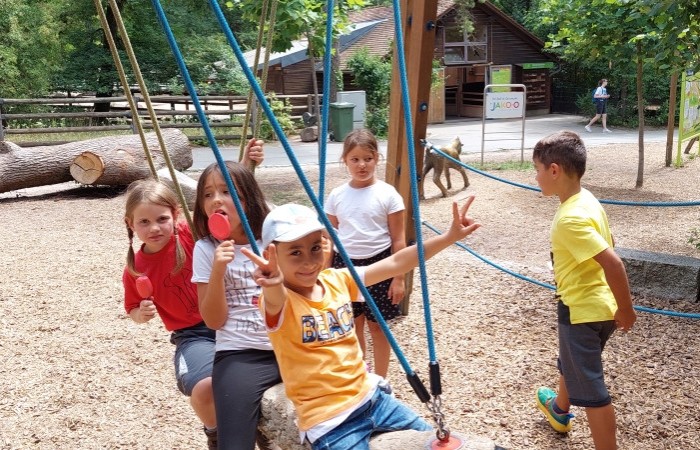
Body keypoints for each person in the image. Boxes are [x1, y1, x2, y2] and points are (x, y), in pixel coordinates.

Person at [241, 199, 480, 449]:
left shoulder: (337, 280)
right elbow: (274, 298)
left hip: (373, 399)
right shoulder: (280, 301)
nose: (309, 261)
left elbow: (395, 263)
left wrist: (448, 237)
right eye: (295, 252)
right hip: (330, 421)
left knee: (432, 442)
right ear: (271, 255)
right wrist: (272, 282)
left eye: (315, 247)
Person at [122, 139, 264, 450]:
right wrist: (141, 314)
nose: (155, 228)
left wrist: (245, 167)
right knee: (205, 388)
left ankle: (252, 425)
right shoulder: (135, 269)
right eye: (144, 222)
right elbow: (132, 309)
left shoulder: (189, 236)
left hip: (232, 322)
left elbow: (224, 210)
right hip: (193, 335)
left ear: (175, 215)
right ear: (130, 225)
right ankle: (215, 433)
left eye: (162, 219)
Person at [532, 131, 636, 450]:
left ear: (554, 170)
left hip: (581, 312)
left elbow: (613, 263)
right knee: (573, 362)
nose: (535, 177)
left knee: (593, 392)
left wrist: (627, 309)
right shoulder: (586, 199)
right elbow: (609, 243)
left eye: (537, 169)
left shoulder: (569, 218)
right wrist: (616, 306)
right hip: (599, 307)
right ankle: (559, 409)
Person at [191, 160, 281, 450]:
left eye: (227, 191)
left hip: (290, 344)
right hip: (241, 352)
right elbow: (214, 321)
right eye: (208, 194)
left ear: (247, 199)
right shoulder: (206, 249)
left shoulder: (273, 239)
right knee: (234, 442)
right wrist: (218, 271)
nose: (216, 199)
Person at [324, 128, 406, 378]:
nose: (362, 165)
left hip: (379, 263)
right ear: (345, 161)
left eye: (368, 159)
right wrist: (325, 274)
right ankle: (362, 376)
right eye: (355, 159)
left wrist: (399, 278)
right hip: (345, 265)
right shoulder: (337, 195)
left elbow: (398, 239)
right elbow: (330, 238)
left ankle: (381, 379)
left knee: (378, 327)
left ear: (377, 158)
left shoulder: (388, 194)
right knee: (352, 325)